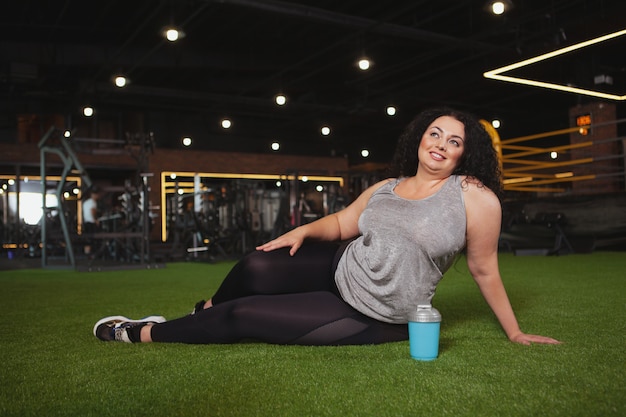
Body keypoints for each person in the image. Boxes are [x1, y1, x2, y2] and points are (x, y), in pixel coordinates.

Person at [93, 107, 561, 347]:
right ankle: (204, 310)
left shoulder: (475, 198)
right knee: (257, 265)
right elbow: (343, 223)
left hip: (375, 314)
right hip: (341, 267)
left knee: (243, 317)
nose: (440, 144)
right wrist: (303, 232)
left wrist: (515, 333)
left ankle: (140, 332)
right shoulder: (387, 186)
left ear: (465, 153)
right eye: (435, 133)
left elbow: (484, 269)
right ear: (420, 137)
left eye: (453, 141)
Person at [82, 187, 101, 255]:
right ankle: (91, 253)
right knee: (92, 238)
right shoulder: (93, 202)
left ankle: (87, 253)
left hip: (86, 222)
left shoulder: (86, 202)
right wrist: (96, 220)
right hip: (91, 222)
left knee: (87, 238)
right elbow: (92, 211)